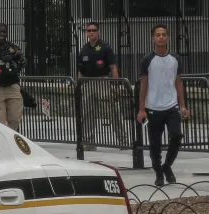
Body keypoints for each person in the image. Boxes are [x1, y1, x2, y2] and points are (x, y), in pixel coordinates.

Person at [138, 23, 190, 187]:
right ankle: (158, 173)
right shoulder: (147, 59)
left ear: (168, 38)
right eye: (158, 35)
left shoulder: (175, 59)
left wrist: (183, 106)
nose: (161, 37)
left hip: (171, 106)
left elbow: (178, 82)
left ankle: (167, 166)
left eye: (164, 34)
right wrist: (141, 109)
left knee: (176, 136)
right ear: (153, 38)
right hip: (153, 108)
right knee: (155, 145)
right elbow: (143, 84)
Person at [76, 22, 126, 149]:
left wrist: (116, 85)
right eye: (89, 30)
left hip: (102, 81)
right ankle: (89, 142)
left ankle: (123, 140)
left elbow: (113, 67)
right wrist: (78, 86)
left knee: (112, 110)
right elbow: (80, 70)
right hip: (87, 83)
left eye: (94, 30)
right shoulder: (84, 49)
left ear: (98, 32)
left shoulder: (105, 47)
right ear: (86, 33)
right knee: (88, 112)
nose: (91, 32)